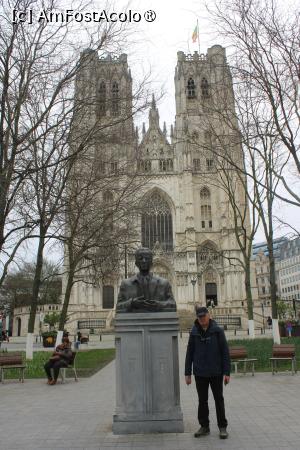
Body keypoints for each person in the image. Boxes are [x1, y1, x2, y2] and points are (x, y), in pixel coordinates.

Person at [185, 306, 230, 440]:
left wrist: (227, 372)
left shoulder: (217, 331)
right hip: (200, 372)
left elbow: (225, 352)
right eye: (199, 317)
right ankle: (204, 426)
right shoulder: (194, 332)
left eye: (204, 316)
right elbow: (189, 353)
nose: (202, 319)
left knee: (219, 399)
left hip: (216, 371)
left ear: (209, 316)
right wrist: (187, 373)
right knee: (202, 401)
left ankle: (222, 427)